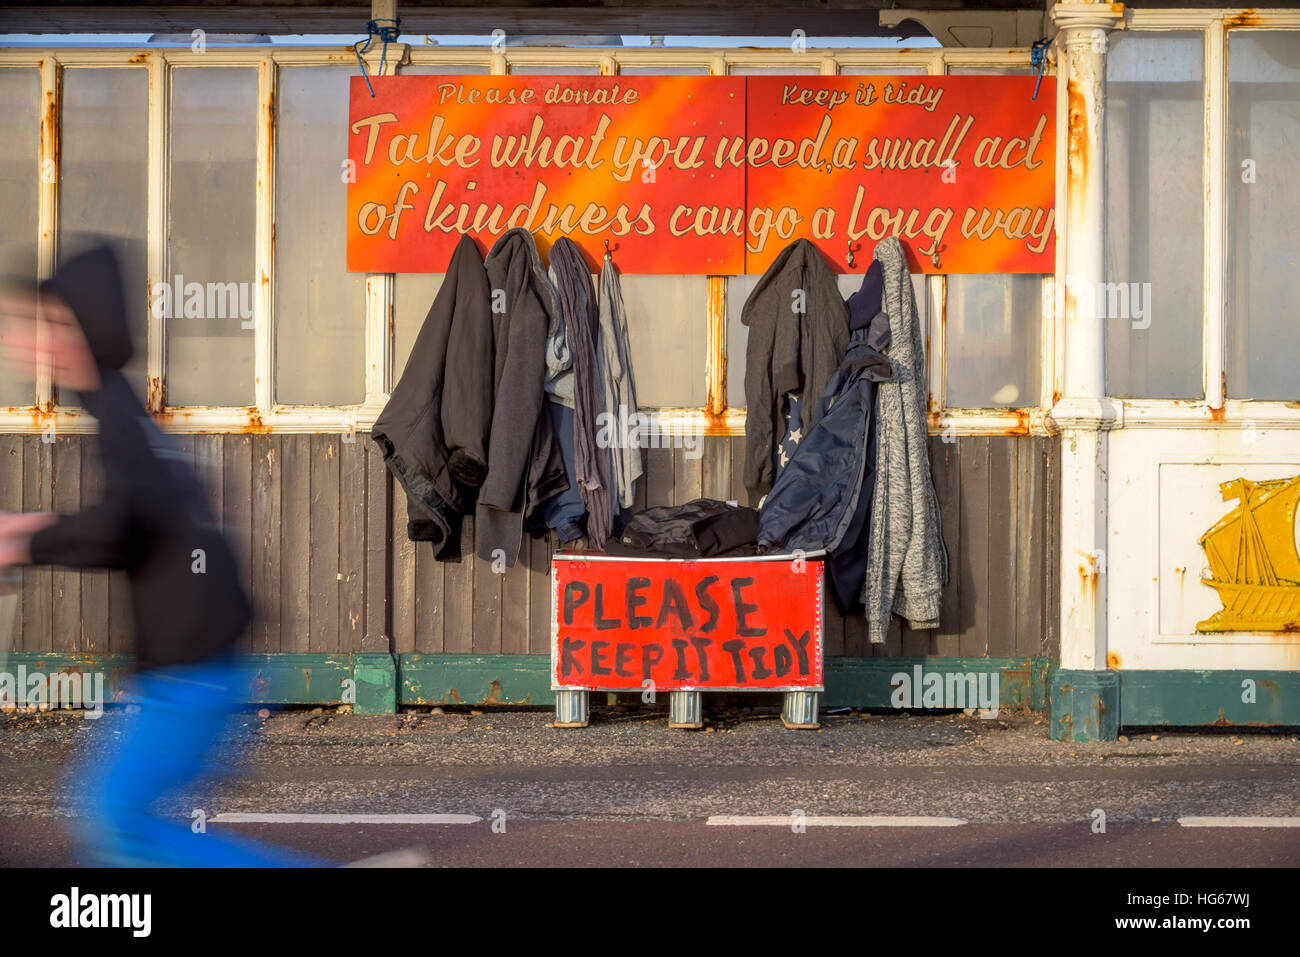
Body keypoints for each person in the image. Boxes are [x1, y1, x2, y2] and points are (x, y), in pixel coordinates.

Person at [0, 243, 317, 867]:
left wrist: (26, 537)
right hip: (192, 665)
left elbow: (122, 527)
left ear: (82, 328)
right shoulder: (124, 413)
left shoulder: (120, 417)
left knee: (117, 824)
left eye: (46, 323)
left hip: (192, 672)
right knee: (116, 824)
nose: (30, 340)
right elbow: (150, 521)